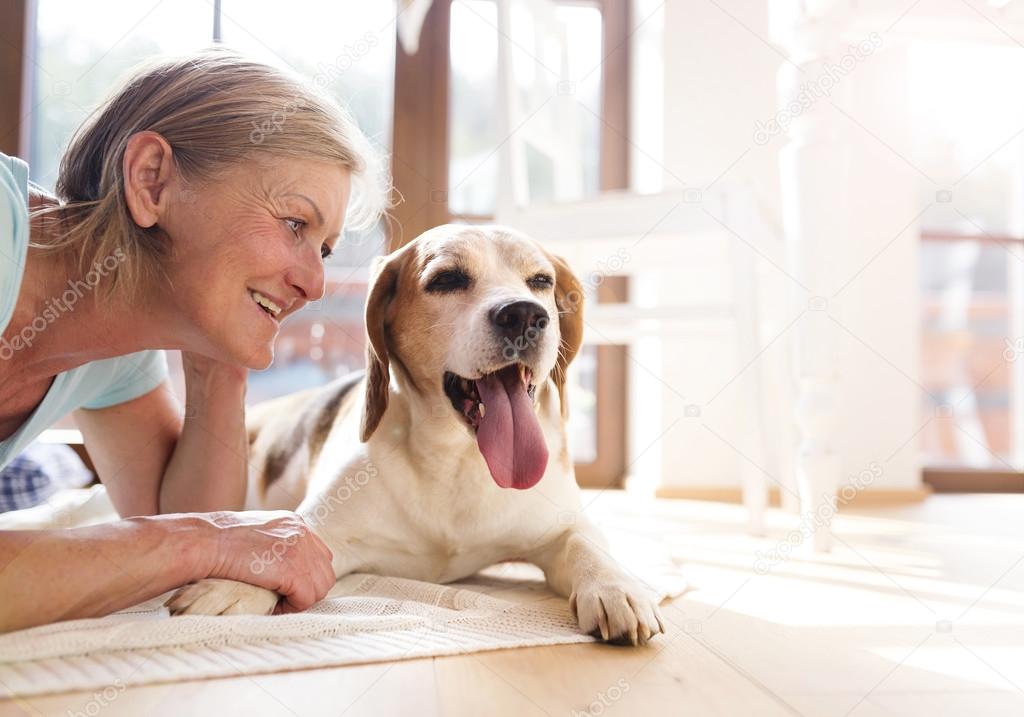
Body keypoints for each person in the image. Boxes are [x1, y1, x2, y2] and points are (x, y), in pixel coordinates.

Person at [0, 50, 383, 632]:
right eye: (294, 225)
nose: (314, 283)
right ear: (152, 180)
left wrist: (221, 363)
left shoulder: (114, 345)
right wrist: (205, 542)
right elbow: (193, 535)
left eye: (324, 249)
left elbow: (172, 520)